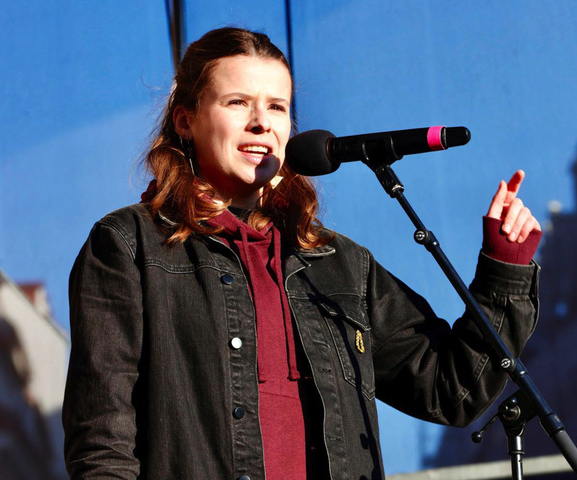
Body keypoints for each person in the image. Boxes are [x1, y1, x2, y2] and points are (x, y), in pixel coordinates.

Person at [63, 27, 542, 480]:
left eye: (276, 107)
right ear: (186, 120)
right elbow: (103, 439)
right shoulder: (129, 246)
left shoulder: (338, 263)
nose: (260, 123)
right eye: (237, 102)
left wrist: (505, 269)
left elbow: (451, 389)